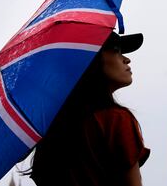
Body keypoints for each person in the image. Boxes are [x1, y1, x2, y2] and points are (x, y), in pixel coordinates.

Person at [29, 31, 150, 186]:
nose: (126, 59)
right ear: (92, 60)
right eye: (116, 51)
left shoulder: (49, 128)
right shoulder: (116, 120)